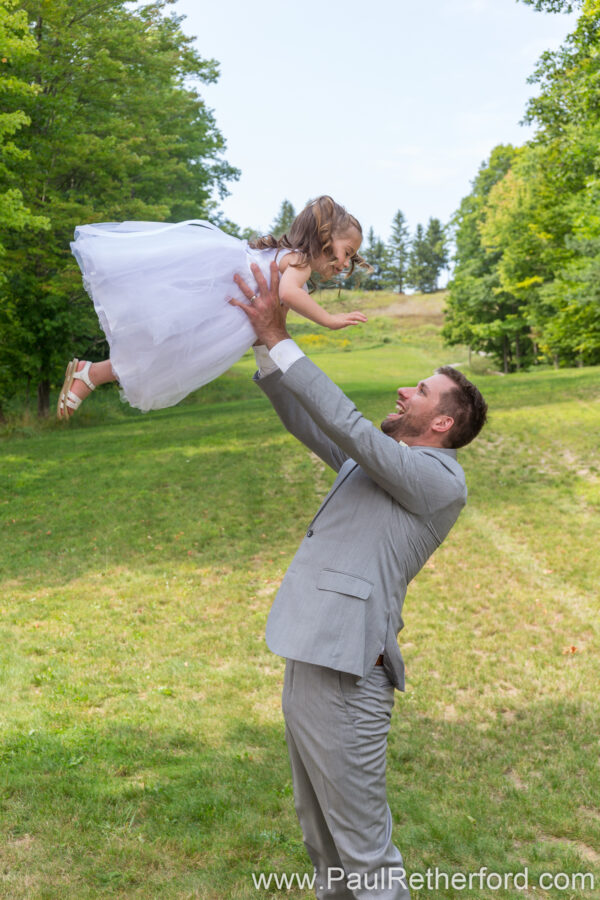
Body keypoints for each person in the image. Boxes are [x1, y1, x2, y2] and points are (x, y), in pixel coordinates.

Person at [230, 262, 488, 900]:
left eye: (421, 391)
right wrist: (267, 347)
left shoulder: (436, 479)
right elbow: (313, 425)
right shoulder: (386, 462)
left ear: (442, 425)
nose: (406, 393)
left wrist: (286, 341)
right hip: (314, 654)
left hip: (349, 674)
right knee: (322, 842)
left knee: (365, 857)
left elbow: (344, 422)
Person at [57, 196, 369, 418]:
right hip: (220, 301)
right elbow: (288, 293)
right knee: (166, 350)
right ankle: (91, 374)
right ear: (326, 236)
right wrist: (329, 319)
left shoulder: (285, 254)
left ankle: (92, 373)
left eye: (352, 258)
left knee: (166, 350)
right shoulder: (299, 262)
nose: (345, 263)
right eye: (347, 252)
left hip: (220, 310)